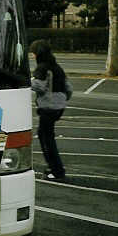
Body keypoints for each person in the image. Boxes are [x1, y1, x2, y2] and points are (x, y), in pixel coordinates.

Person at [29, 39, 72, 181]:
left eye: (33, 53)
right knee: (45, 135)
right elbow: (68, 88)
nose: (33, 56)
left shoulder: (42, 68)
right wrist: (62, 99)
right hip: (59, 106)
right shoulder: (57, 67)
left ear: (38, 53)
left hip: (48, 107)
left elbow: (40, 86)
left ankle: (57, 170)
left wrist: (27, 81)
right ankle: (53, 167)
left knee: (46, 138)